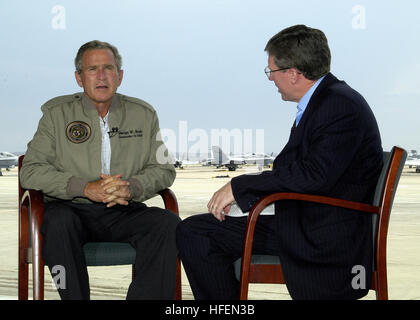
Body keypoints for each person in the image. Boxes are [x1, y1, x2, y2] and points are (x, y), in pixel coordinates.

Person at [176, 25, 383, 300]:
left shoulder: (337, 107)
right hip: (307, 219)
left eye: (271, 71)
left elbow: (314, 175)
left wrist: (241, 187)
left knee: (197, 234)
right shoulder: (327, 101)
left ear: (293, 74)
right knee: (199, 231)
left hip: (322, 234)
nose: (270, 79)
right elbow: (301, 173)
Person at [20, 40, 180, 300]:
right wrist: (84, 187)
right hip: (71, 209)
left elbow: (163, 169)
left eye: (108, 68)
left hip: (123, 209)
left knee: (168, 224)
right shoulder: (55, 114)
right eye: (92, 69)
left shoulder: (143, 114)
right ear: (79, 78)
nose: (102, 76)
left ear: (120, 76)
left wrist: (132, 187)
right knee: (57, 222)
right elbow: (31, 170)